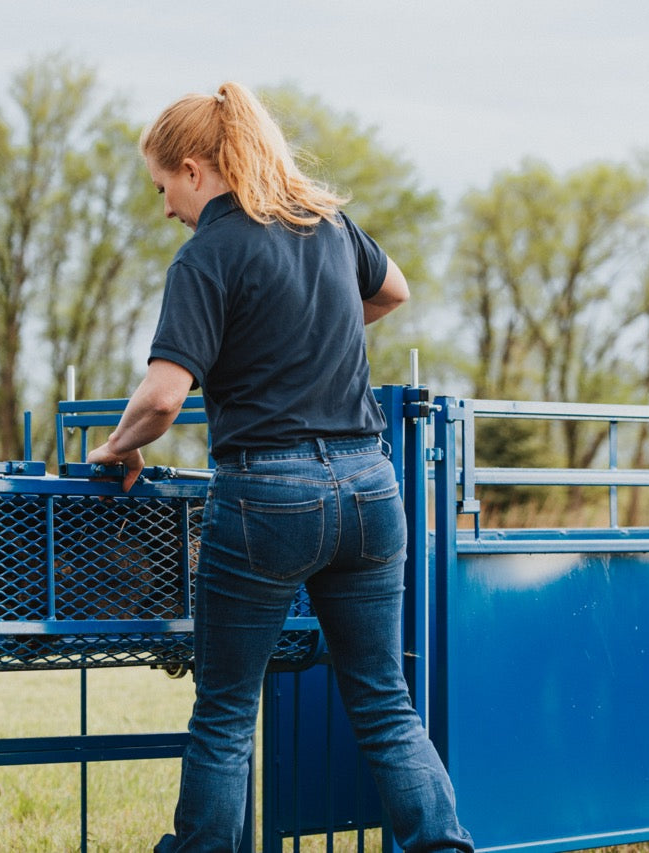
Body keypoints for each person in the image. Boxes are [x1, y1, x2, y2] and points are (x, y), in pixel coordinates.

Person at [86, 81, 473, 853]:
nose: (165, 208)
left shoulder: (206, 256)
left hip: (268, 496)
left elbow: (162, 398)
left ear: (193, 169)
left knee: (225, 711)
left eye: (163, 188)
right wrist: (310, 327)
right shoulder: (325, 224)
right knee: (384, 701)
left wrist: (117, 446)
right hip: (370, 490)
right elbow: (393, 290)